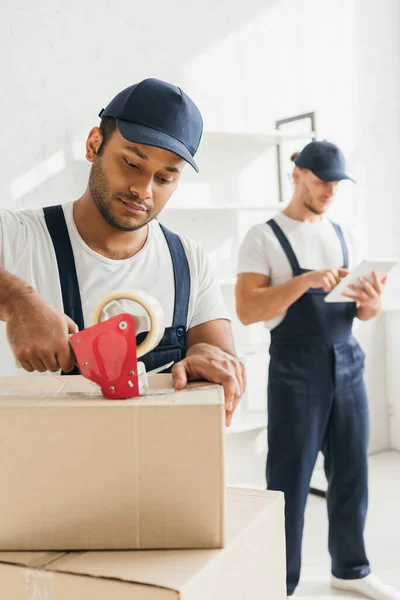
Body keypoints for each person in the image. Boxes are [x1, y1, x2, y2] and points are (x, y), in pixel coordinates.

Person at [0, 77, 245, 426]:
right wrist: (16, 299)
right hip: (38, 471)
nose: (142, 190)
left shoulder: (189, 261)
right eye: (132, 164)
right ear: (93, 145)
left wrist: (210, 357)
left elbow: (221, 360)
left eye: (164, 179)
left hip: (150, 471)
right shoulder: (18, 237)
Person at [236, 140, 400, 599]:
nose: (330, 190)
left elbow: (363, 316)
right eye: (321, 180)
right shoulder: (263, 237)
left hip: (348, 361)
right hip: (295, 367)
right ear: (297, 174)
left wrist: (372, 303)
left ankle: (351, 569)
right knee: (288, 480)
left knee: (352, 472)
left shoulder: (343, 234)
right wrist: (304, 281)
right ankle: (278, 583)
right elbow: (247, 309)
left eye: (336, 183)